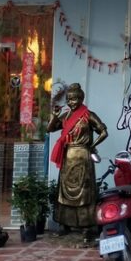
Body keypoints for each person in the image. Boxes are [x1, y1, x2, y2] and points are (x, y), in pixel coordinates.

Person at [47, 82, 108, 236]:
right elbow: (50, 129)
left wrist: (91, 146)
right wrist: (54, 117)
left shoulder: (88, 115)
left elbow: (103, 132)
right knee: (65, 191)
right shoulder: (66, 115)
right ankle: (64, 224)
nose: (71, 102)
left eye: (74, 99)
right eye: (68, 99)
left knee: (84, 191)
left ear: (81, 99)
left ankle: (87, 225)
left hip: (83, 156)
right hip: (68, 156)